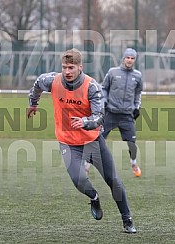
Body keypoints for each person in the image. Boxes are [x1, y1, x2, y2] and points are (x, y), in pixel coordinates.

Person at [27, 48, 137, 233]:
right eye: (64, 67)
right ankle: (94, 198)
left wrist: (85, 122)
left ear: (80, 67)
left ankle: (127, 220)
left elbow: (100, 116)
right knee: (78, 179)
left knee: (114, 181)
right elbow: (37, 83)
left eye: (71, 67)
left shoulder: (91, 86)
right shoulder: (53, 80)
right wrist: (33, 103)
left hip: (93, 142)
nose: (67, 71)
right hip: (68, 143)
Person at [101, 48, 143, 177]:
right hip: (111, 113)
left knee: (132, 143)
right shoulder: (113, 72)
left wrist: (137, 107)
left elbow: (138, 93)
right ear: (123, 58)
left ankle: (134, 163)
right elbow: (104, 88)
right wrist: (104, 102)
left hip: (127, 115)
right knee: (98, 139)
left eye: (132, 58)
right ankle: (86, 164)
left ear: (134, 60)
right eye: (128, 57)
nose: (129, 60)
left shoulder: (138, 75)